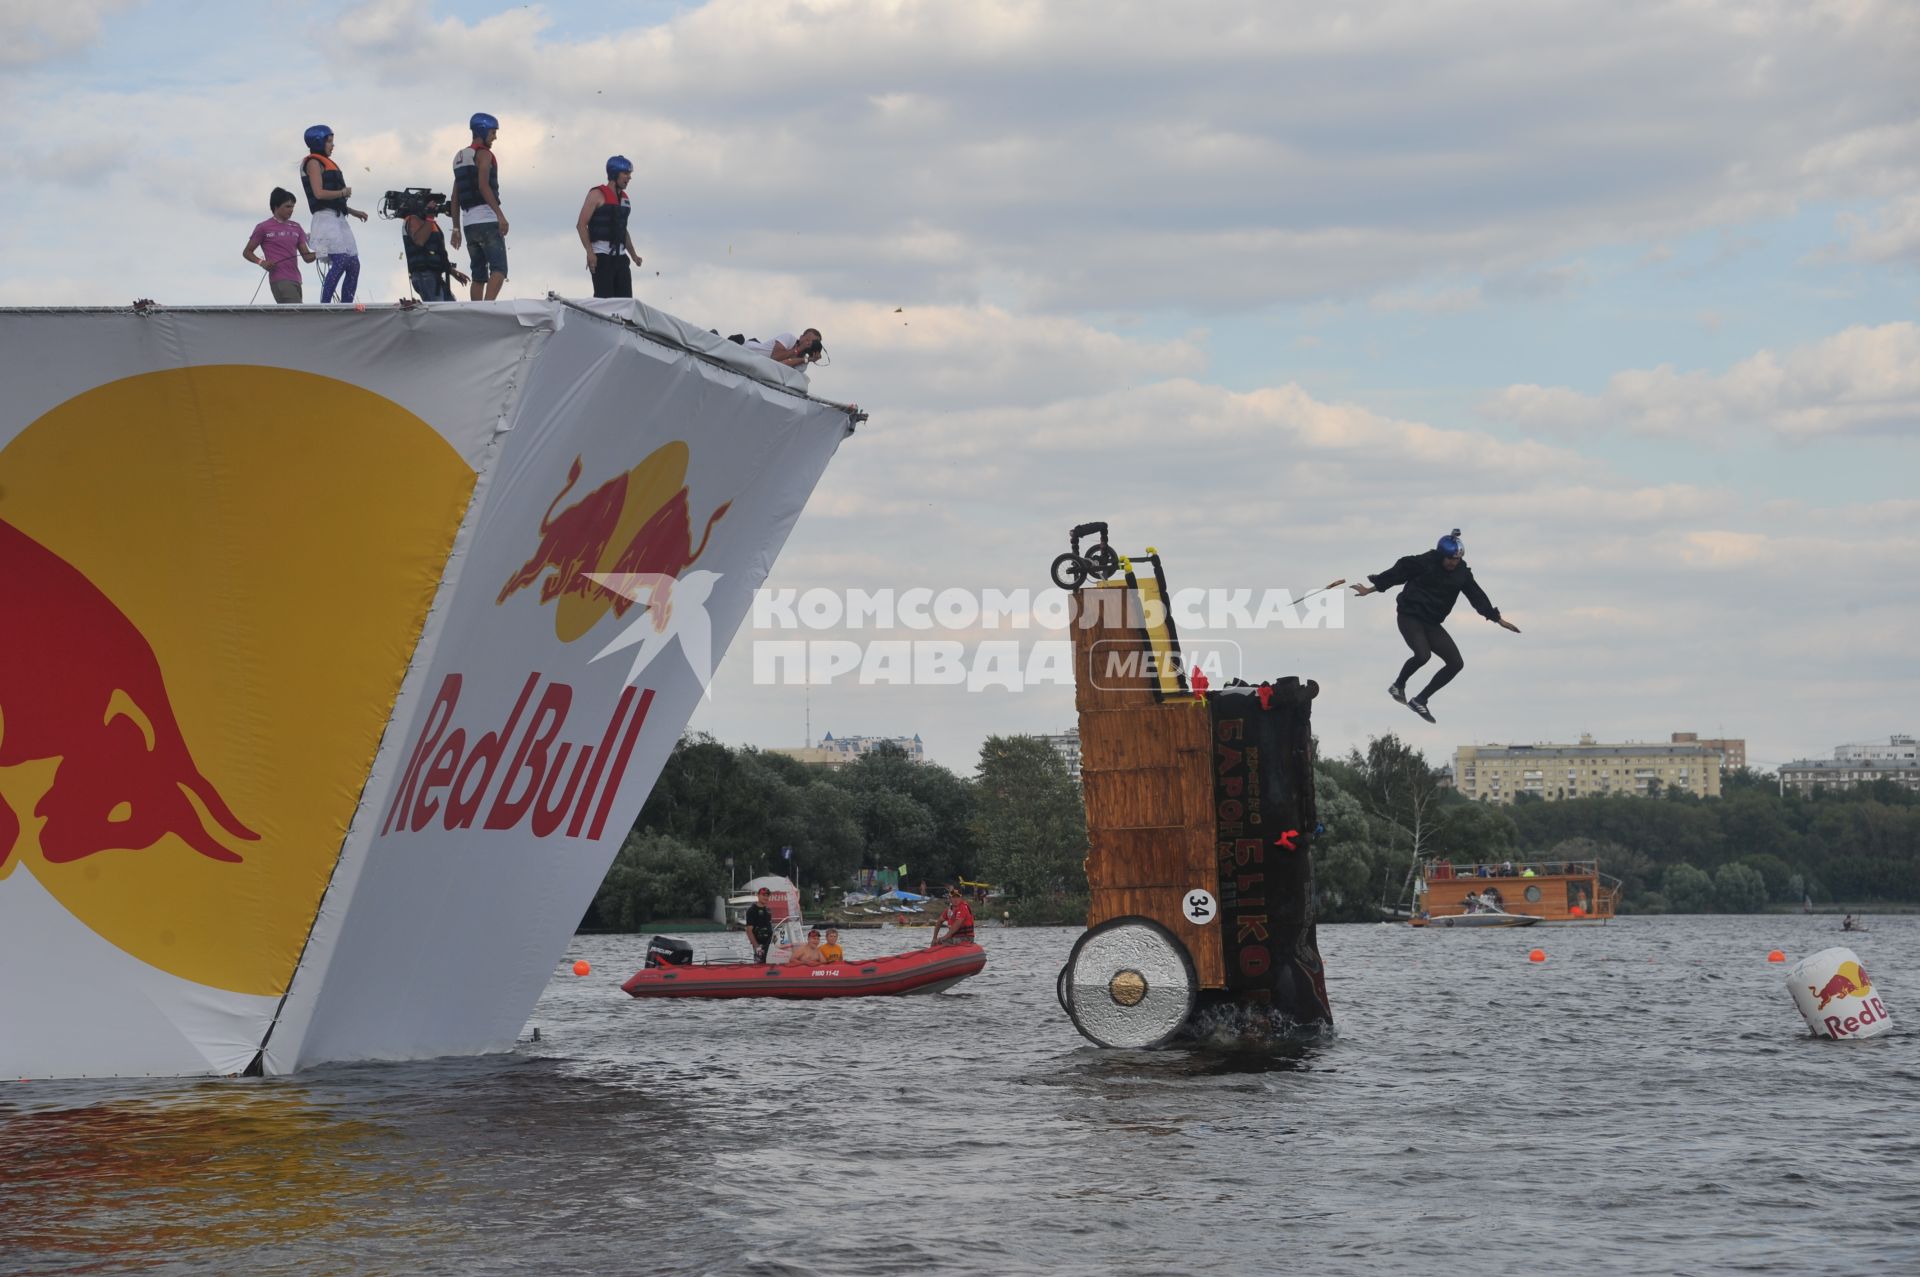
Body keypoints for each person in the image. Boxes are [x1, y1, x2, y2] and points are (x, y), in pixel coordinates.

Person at [1351, 529, 1520, 723]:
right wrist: (1370, 589)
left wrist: (1498, 619)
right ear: (1441, 555)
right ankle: (1398, 685)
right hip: (1410, 616)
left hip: (1431, 622)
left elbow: (1477, 596)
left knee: (1456, 663)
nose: (1452, 563)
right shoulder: (1425, 563)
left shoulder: (1461, 574)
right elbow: (1399, 572)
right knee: (1423, 655)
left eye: (1456, 560)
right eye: (1449, 559)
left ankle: (1420, 700)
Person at [299, 125, 369, 303]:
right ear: (319, 142)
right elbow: (319, 194)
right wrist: (343, 193)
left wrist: (352, 211)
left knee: (354, 264)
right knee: (341, 260)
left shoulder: (327, 162)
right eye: (329, 141)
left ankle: (346, 304)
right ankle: (325, 303)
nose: (332, 145)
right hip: (325, 220)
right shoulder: (313, 163)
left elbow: (335, 200)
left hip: (338, 218)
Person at [451, 112, 508, 301]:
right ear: (482, 131)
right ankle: (488, 309)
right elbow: (484, 186)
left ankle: (476, 312)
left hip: (469, 225)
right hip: (487, 220)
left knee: (478, 274)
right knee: (499, 269)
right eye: (492, 133)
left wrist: (456, 228)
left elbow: (455, 196)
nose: (495, 137)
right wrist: (500, 215)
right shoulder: (484, 155)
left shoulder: (460, 157)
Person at [576, 155, 642, 299]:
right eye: (625, 173)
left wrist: (634, 255)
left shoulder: (624, 199)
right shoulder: (597, 194)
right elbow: (581, 225)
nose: (629, 177)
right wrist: (590, 253)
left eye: (629, 174)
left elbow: (622, 229)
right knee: (605, 302)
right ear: (614, 173)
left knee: (625, 303)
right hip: (602, 256)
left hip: (621, 257)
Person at [243, 188, 316, 304]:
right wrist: (262, 262)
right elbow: (247, 252)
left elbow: (307, 257)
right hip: (280, 279)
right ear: (276, 207)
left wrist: (324, 252)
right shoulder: (263, 227)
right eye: (287, 206)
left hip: (296, 279)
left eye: (292, 207)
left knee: (295, 318)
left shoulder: (296, 227)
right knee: (296, 315)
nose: (291, 210)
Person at [402, 193, 468, 302]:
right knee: (437, 311)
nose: (436, 207)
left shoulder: (430, 223)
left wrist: (452, 271)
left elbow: (437, 252)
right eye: (432, 205)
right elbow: (419, 241)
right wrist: (430, 217)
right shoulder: (413, 219)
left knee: (450, 309)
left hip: (435, 276)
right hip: (424, 275)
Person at [728, 328, 826, 368]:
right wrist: (798, 349)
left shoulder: (804, 360)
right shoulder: (789, 338)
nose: (808, 344)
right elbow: (774, 358)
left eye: (813, 343)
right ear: (801, 337)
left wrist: (808, 359)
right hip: (746, 348)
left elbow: (781, 365)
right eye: (808, 340)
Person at [744, 886, 774, 964]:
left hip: (770, 943)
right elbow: (749, 930)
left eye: (767, 895)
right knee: (760, 964)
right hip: (759, 943)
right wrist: (757, 947)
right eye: (763, 895)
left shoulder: (768, 910)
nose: (765, 897)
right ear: (758, 895)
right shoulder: (752, 910)